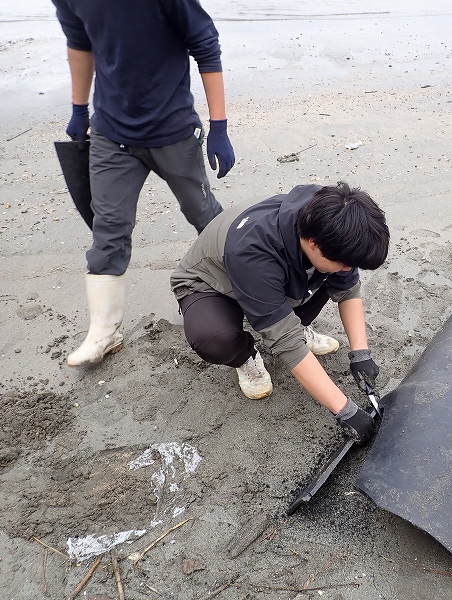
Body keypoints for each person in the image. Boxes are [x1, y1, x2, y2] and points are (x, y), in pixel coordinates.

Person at [51, 0, 236, 367]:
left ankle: (258, 294)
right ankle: (104, 332)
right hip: (111, 133)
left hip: (173, 131)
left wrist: (219, 126)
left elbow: (205, 46)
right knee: (109, 227)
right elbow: (79, 41)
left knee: (206, 218)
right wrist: (78, 109)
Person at [170, 182, 389, 443]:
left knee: (328, 276)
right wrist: (345, 410)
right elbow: (286, 341)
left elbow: (347, 288)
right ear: (313, 243)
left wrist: (361, 353)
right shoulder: (253, 251)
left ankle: (296, 324)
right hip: (213, 283)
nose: (348, 269)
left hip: (272, 277)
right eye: (344, 263)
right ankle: (245, 356)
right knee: (215, 340)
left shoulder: (334, 219)